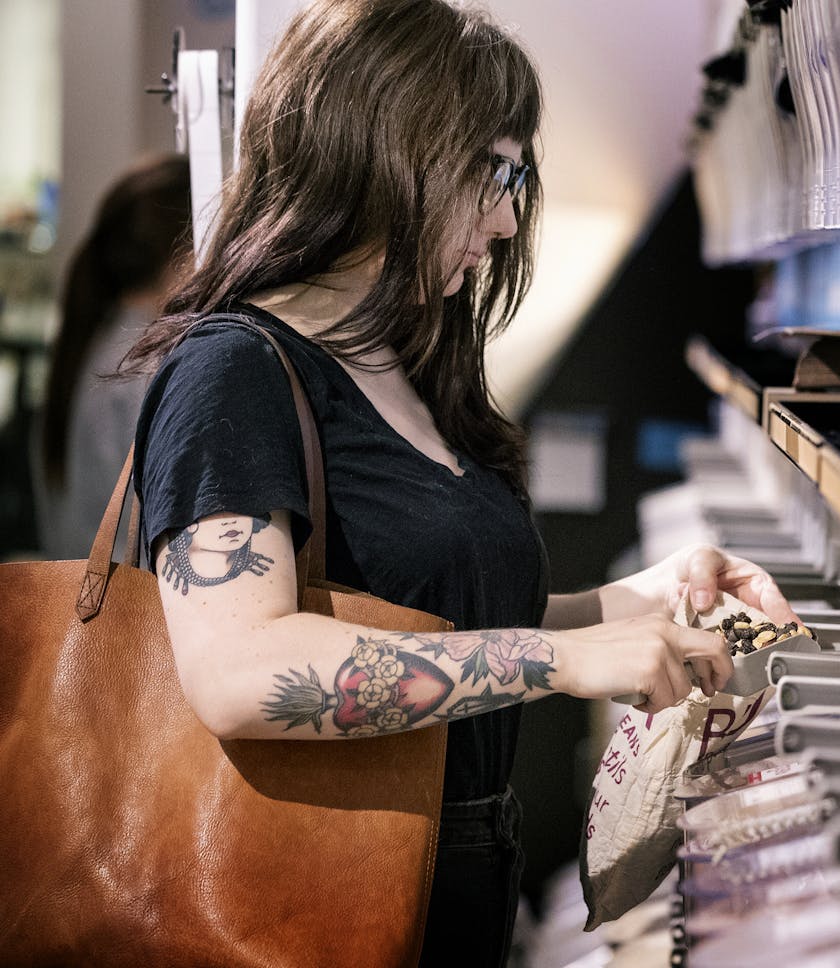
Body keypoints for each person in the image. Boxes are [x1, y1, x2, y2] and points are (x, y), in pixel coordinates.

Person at [120, 2, 795, 966]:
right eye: (496, 172)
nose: (511, 216)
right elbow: (239, 671)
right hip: (303, 912)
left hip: (447, 894)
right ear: (389, 145)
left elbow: (429, 614)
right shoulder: (233, 373)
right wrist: (555, 664)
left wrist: (632, 603)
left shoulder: (404, 362)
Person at [36, 155, 190, 559]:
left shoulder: (96, 341)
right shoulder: (144, 364)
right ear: (182, 253)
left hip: (85, 605)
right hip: (124, 611)